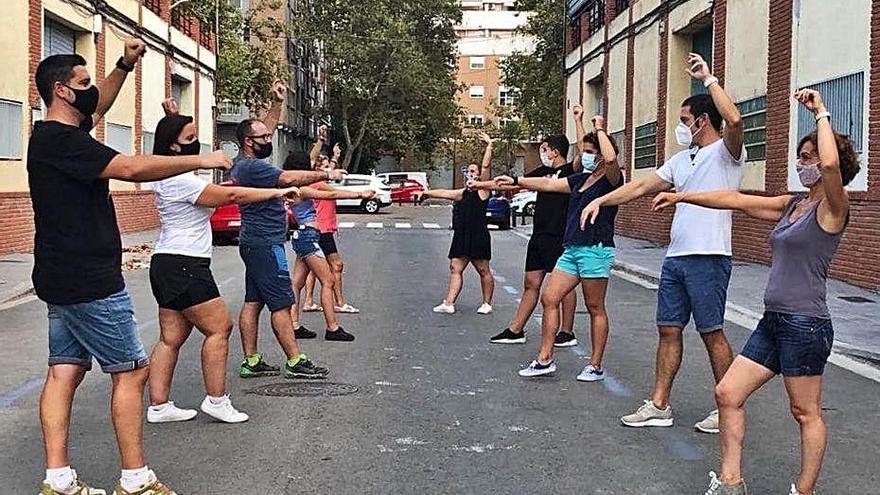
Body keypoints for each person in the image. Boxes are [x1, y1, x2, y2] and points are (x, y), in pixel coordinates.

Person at [30, 42, 231, 495]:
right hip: (90, 280)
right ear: (61, 91)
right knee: (130, 372)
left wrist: (125, 63)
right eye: (82, 84)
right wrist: (202, 159)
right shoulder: (63, 142)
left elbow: (99, 104)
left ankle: (57, 480)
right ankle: (136, 480)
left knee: (65, 369)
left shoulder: (58, 135)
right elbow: (132, 168)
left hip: (61, 278)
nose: (90, 93)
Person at [652, 90, 856, 495]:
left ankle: (804, 490)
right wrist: (682, 195)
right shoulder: (792, 205)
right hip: (773, 321)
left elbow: (832, 163)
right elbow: (735, 198)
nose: (803, 162)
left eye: (808, 156)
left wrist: (821, 113)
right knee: (727, 392)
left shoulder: (834, 208)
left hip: (806, 324)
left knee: (805, 411)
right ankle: (731, 484)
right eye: (801, 155)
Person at [581, 53, 744, 434]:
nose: (680, 127)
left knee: (711, 332)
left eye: (685, 121)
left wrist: (709, 80)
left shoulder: (727, 154)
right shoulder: (680, 159)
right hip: (676, 259)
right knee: (668, 330)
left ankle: (728, 406)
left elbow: (734, 119)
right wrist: (601, 199)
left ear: (702, 121)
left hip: (710, 257)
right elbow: (639, 185)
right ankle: (659, 405)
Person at [144, 100, 301, 425]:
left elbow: (214, 184)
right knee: (219, 327)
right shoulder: (183, 182)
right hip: (186, 264)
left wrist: (172, 117)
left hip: (165, 262)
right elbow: (231, 196)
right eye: (190, 138)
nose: (198, 145)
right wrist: (274, 194)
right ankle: (217, 400)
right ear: (175, 146)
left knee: (170, 338)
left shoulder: (163, 176)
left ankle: (159, 406)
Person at [494, 111, 622, 381]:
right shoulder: (580, 180)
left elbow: (611, 159)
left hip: (595, 248)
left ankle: (595, 365)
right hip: (572, 248)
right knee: (549, 297)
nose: (583, 156)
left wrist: (599, 128)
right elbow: (547, 184)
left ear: (599, 154)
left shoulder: (611, 180)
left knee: (594, 307)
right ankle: (544, 359)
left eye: (589, 151)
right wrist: (516, 181)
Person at [232, 83, 345, 380]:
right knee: (282, 302)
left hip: (254, 241)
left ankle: (252, 360)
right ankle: (295, 360)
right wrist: (326, 173)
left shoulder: (246, 162)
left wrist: (276, 103)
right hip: (266, 244)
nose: (269, 140)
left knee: (253, 301)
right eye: (264, 138)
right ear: (248, 141)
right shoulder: (254, 170)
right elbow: (289, 177)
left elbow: (264, 128)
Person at [473, 134, 579, 346]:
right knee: (531, 283)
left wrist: (579, 120)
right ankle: (515, 330)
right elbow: (512, 184)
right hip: (539, 235)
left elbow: (583, 150)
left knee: (565, 287)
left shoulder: (570, 172)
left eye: (544, 149)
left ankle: (567, 332)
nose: (543, 154)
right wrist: (479, 185)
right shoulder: (541, 173)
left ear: (555, 151)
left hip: (560, 236)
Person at [286, 134, 376, 341]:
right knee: (327, 280)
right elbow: (331, 195)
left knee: (296, 283)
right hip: (308, 237)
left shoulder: (292, 185)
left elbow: (310, 161)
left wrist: (319, 143)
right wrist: (360, 195)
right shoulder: (301, 189)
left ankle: (294, 324)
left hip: (303, 235)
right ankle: (332, 328)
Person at [416, 132, 495, 315]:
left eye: (474, 171)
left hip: (478, 235)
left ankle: (486, 303)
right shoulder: (463, 193)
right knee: (455, 267)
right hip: (462, 235)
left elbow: (486, 166)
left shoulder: (483, 191)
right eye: (469, 171)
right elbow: (445, 192)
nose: (471, 173)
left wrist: (489, 146)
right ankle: (449, 302)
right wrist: (427, 193)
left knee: (483, 270)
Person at [302, 143, 360, 314]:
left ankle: (308, 301)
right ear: (318, 170)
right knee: (337, 264)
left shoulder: (316, 182)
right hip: (322, 230)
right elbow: (334, 192)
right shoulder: (319, 185)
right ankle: (340, 303)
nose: (330, 170)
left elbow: (329, 171)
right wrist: (361, 194)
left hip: (319, 229)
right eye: (325, 168)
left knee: (312, 268)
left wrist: (335, 158)